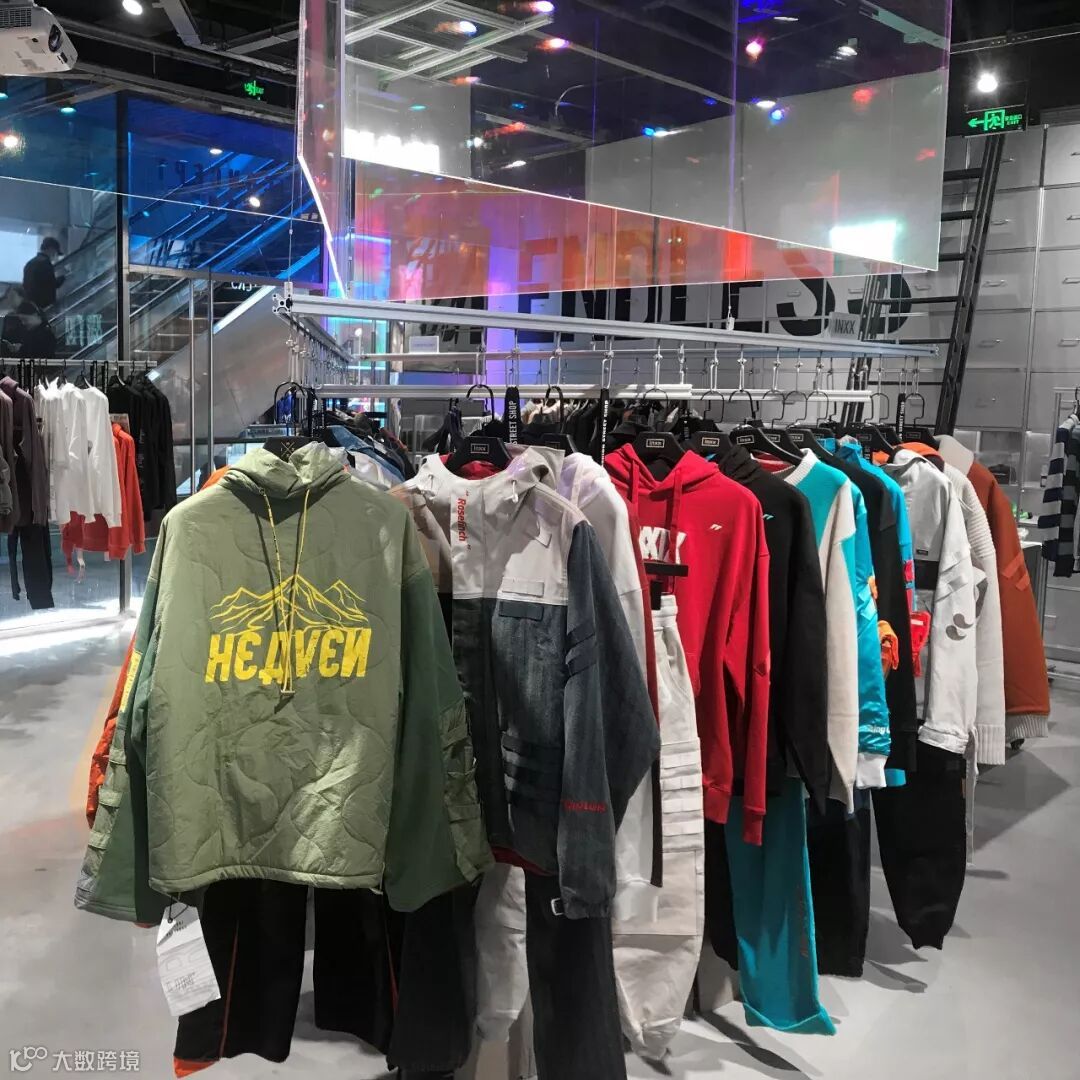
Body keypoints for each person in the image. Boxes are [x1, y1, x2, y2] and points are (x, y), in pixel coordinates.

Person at [22, 237, 65, 310]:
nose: (55, 255)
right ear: (51, 249)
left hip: (30, 304)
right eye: (55, 252)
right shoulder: (45, 263)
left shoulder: (30, 263)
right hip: (44, 306)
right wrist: (62, 279)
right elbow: (50, 285)